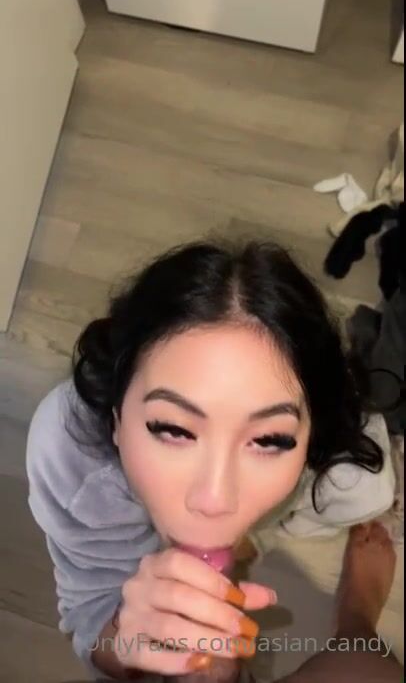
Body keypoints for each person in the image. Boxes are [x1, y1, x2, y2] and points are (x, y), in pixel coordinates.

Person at [25, 240, 403, 682]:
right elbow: (89, 617)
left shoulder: (344, 475)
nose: (214, 499)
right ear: (116, 417)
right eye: (173, 429)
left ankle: (355, 621)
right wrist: (127, 639)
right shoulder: (74, 457)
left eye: (269, 439)